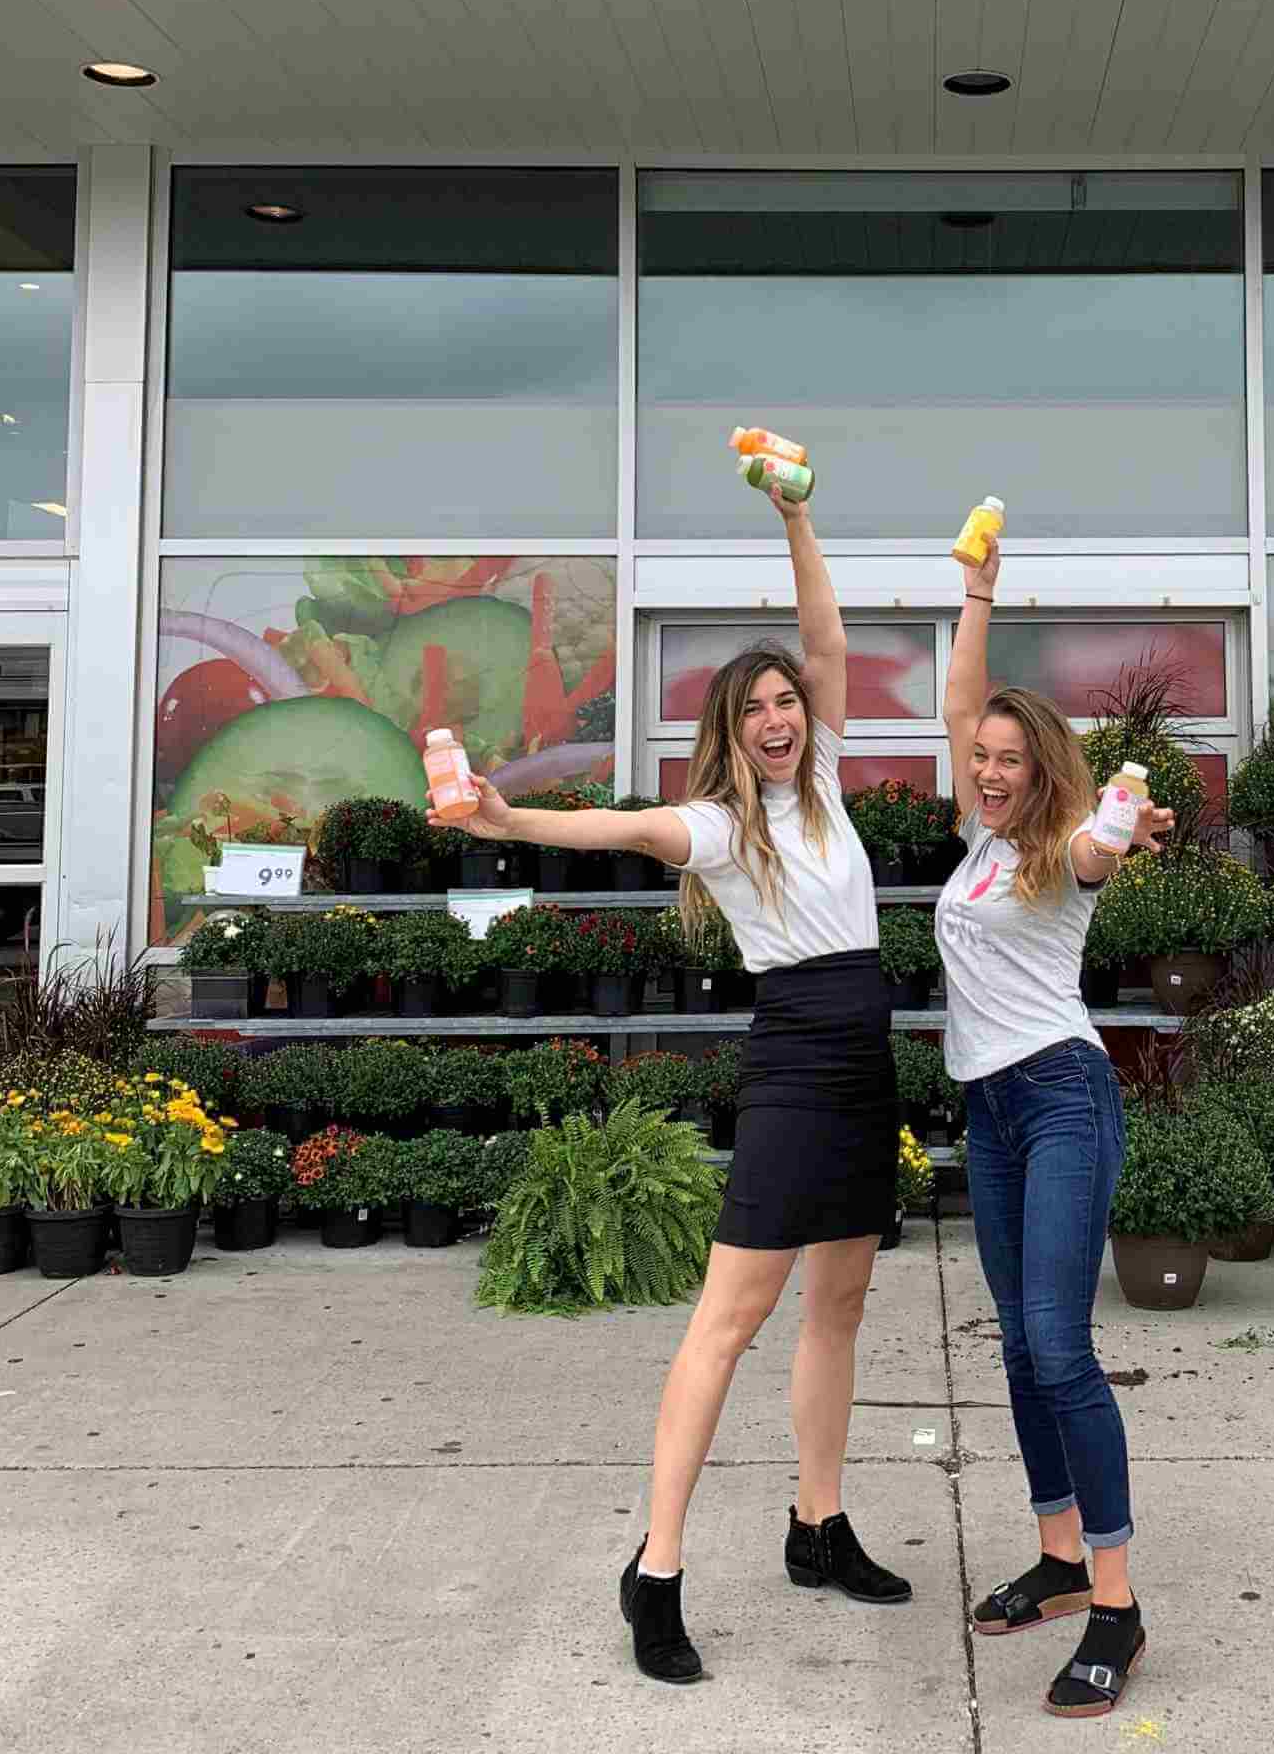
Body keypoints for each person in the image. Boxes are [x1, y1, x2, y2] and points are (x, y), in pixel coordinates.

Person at [450, 482, 909, 1686]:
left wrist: (799, 518)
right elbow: (610, 828)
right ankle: (655, 1571)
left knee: (843, 1306)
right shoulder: (715, 823)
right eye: (755, 706)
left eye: (787, 703)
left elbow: (826, 640)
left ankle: (818, 1527)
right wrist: (507, 815)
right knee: (730, 1321)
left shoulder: (827, 784)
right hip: (798, 1060)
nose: (780, 714)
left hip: (867, 1056)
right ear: (730, 726)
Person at [934, 532, 1170, 1720]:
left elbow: (1093, 850)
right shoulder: (976, 842)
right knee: (1020, 1349)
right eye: (978, 756)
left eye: (1009, 760)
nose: (987, 770)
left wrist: (1118, 818)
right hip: (989, 1112)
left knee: (1062, 1346)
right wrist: (976, 595)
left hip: (1063, 1099)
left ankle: (1119, 1609)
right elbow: (962, 694)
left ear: (1043, 772)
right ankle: (1062, 1557)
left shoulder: (1057, 850)